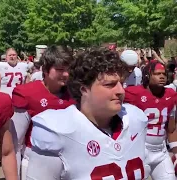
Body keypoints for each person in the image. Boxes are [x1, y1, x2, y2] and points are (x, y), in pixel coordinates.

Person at [27, 49, 148, 179]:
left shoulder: (135, 118)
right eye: (109, 84)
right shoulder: (58, 130)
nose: (120, 90)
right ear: (84, 89)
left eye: (121, 83)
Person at [10, 45, 75, 180]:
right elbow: (15, 143)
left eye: (68, 69)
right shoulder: (27, 93)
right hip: (37, 162)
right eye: (60, 69)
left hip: (71, 162)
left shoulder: (75, 92)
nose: (66, 74)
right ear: (45, 70)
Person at [124, 61, 176, 180]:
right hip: (140, 150)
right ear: (147, 75)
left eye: (163, 73)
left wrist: (175, 150)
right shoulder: (133, 93)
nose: (162, 76)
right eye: (157, 74)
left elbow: (171, 128)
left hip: (161, 151)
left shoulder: (171, 94)